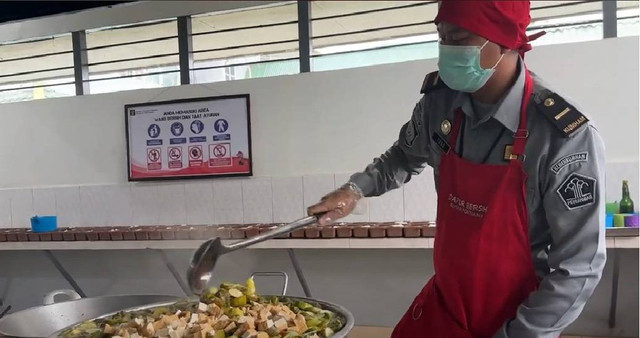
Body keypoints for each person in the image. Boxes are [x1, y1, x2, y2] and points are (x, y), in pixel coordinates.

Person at [307, 1, 606, 337]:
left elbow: (579, 265)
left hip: (519, 316)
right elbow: (402, 157)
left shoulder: (561, 134)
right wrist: (354, 190)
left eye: (459, 38)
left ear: (505, 40)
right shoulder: (441, 103)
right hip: (446, 302)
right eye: (442, 36)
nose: (447, 50)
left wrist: (520, 333)